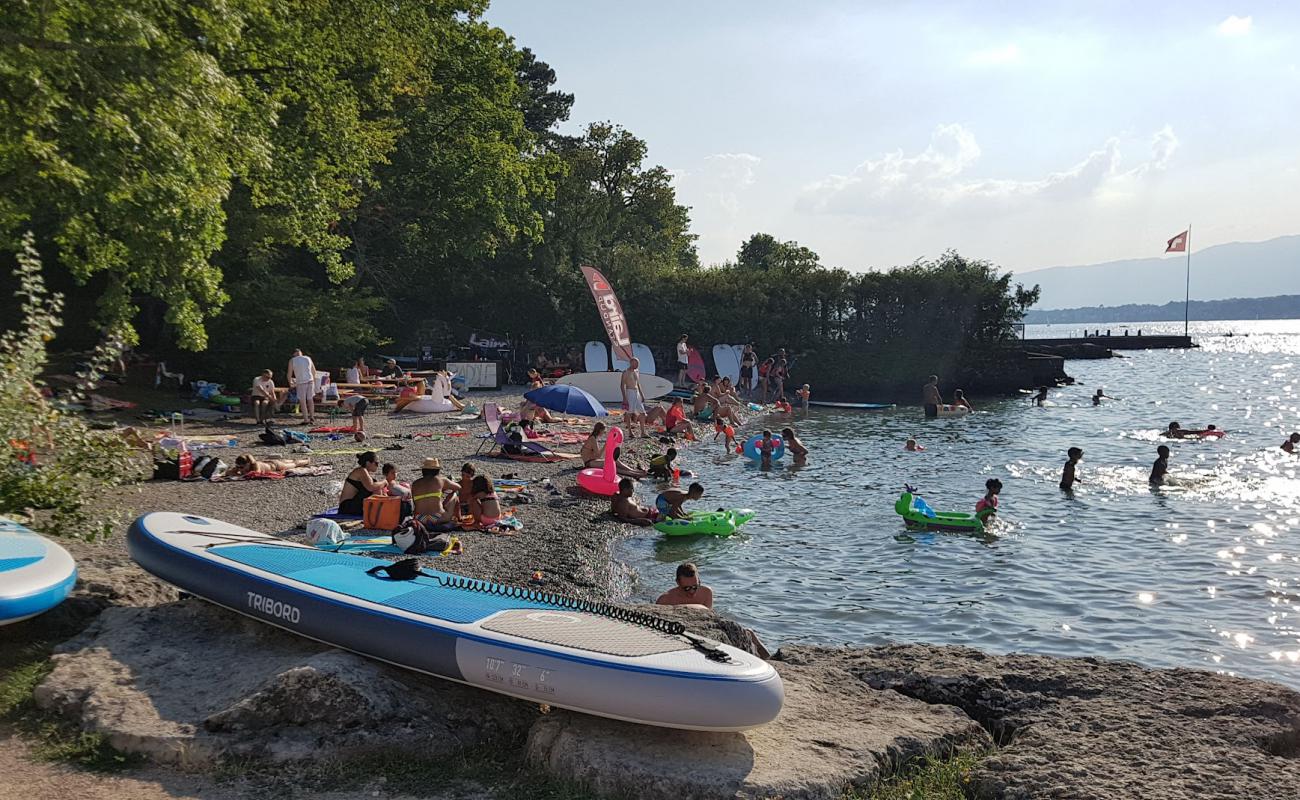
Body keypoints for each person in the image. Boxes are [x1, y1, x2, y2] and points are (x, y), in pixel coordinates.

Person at [410, 458, 459, 530]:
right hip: (437, 518)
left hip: (420, 518)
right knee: (454, 494)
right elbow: (458, 487)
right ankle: (458, 518)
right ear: (437, 470)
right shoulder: (441, 480)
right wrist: (444, 489)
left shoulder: (415, 483)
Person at [287, 349, 318, 425]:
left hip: (301, 382)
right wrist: (313, 380)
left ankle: (306, 419)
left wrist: (290, 383)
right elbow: (314, 371)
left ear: (294, 354)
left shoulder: (292, 360)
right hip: (310, 381)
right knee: (310, 399)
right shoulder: (308, 358)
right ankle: (312, 417)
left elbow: (289, 374)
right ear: (301, 353)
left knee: (302, 401)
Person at [621, 357, 648, 438]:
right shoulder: (626, 372)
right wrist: (624, 398)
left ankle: (643, 432)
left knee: (642, 413)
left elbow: (638, 383)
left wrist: (642, 395)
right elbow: (622, 385)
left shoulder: (636, 371)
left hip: (637, 392)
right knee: (629, 413)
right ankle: (630, 432)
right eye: (635, 363)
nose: (637, 365)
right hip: (630, 392)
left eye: (638, 364)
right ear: (631, 363)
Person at [228, 453, 311, 477]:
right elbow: (229, 472)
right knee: (286, 461)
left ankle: (306, 461)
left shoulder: (255, 465)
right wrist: (236, 470)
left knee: (294, 464)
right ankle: (301, 459)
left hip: (275, 466)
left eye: (242, 467)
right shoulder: (243, 466)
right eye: (238, 466)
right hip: (269, 462)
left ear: (248, 463)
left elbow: (256, 474)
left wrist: (239, 474)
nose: (240, 469)